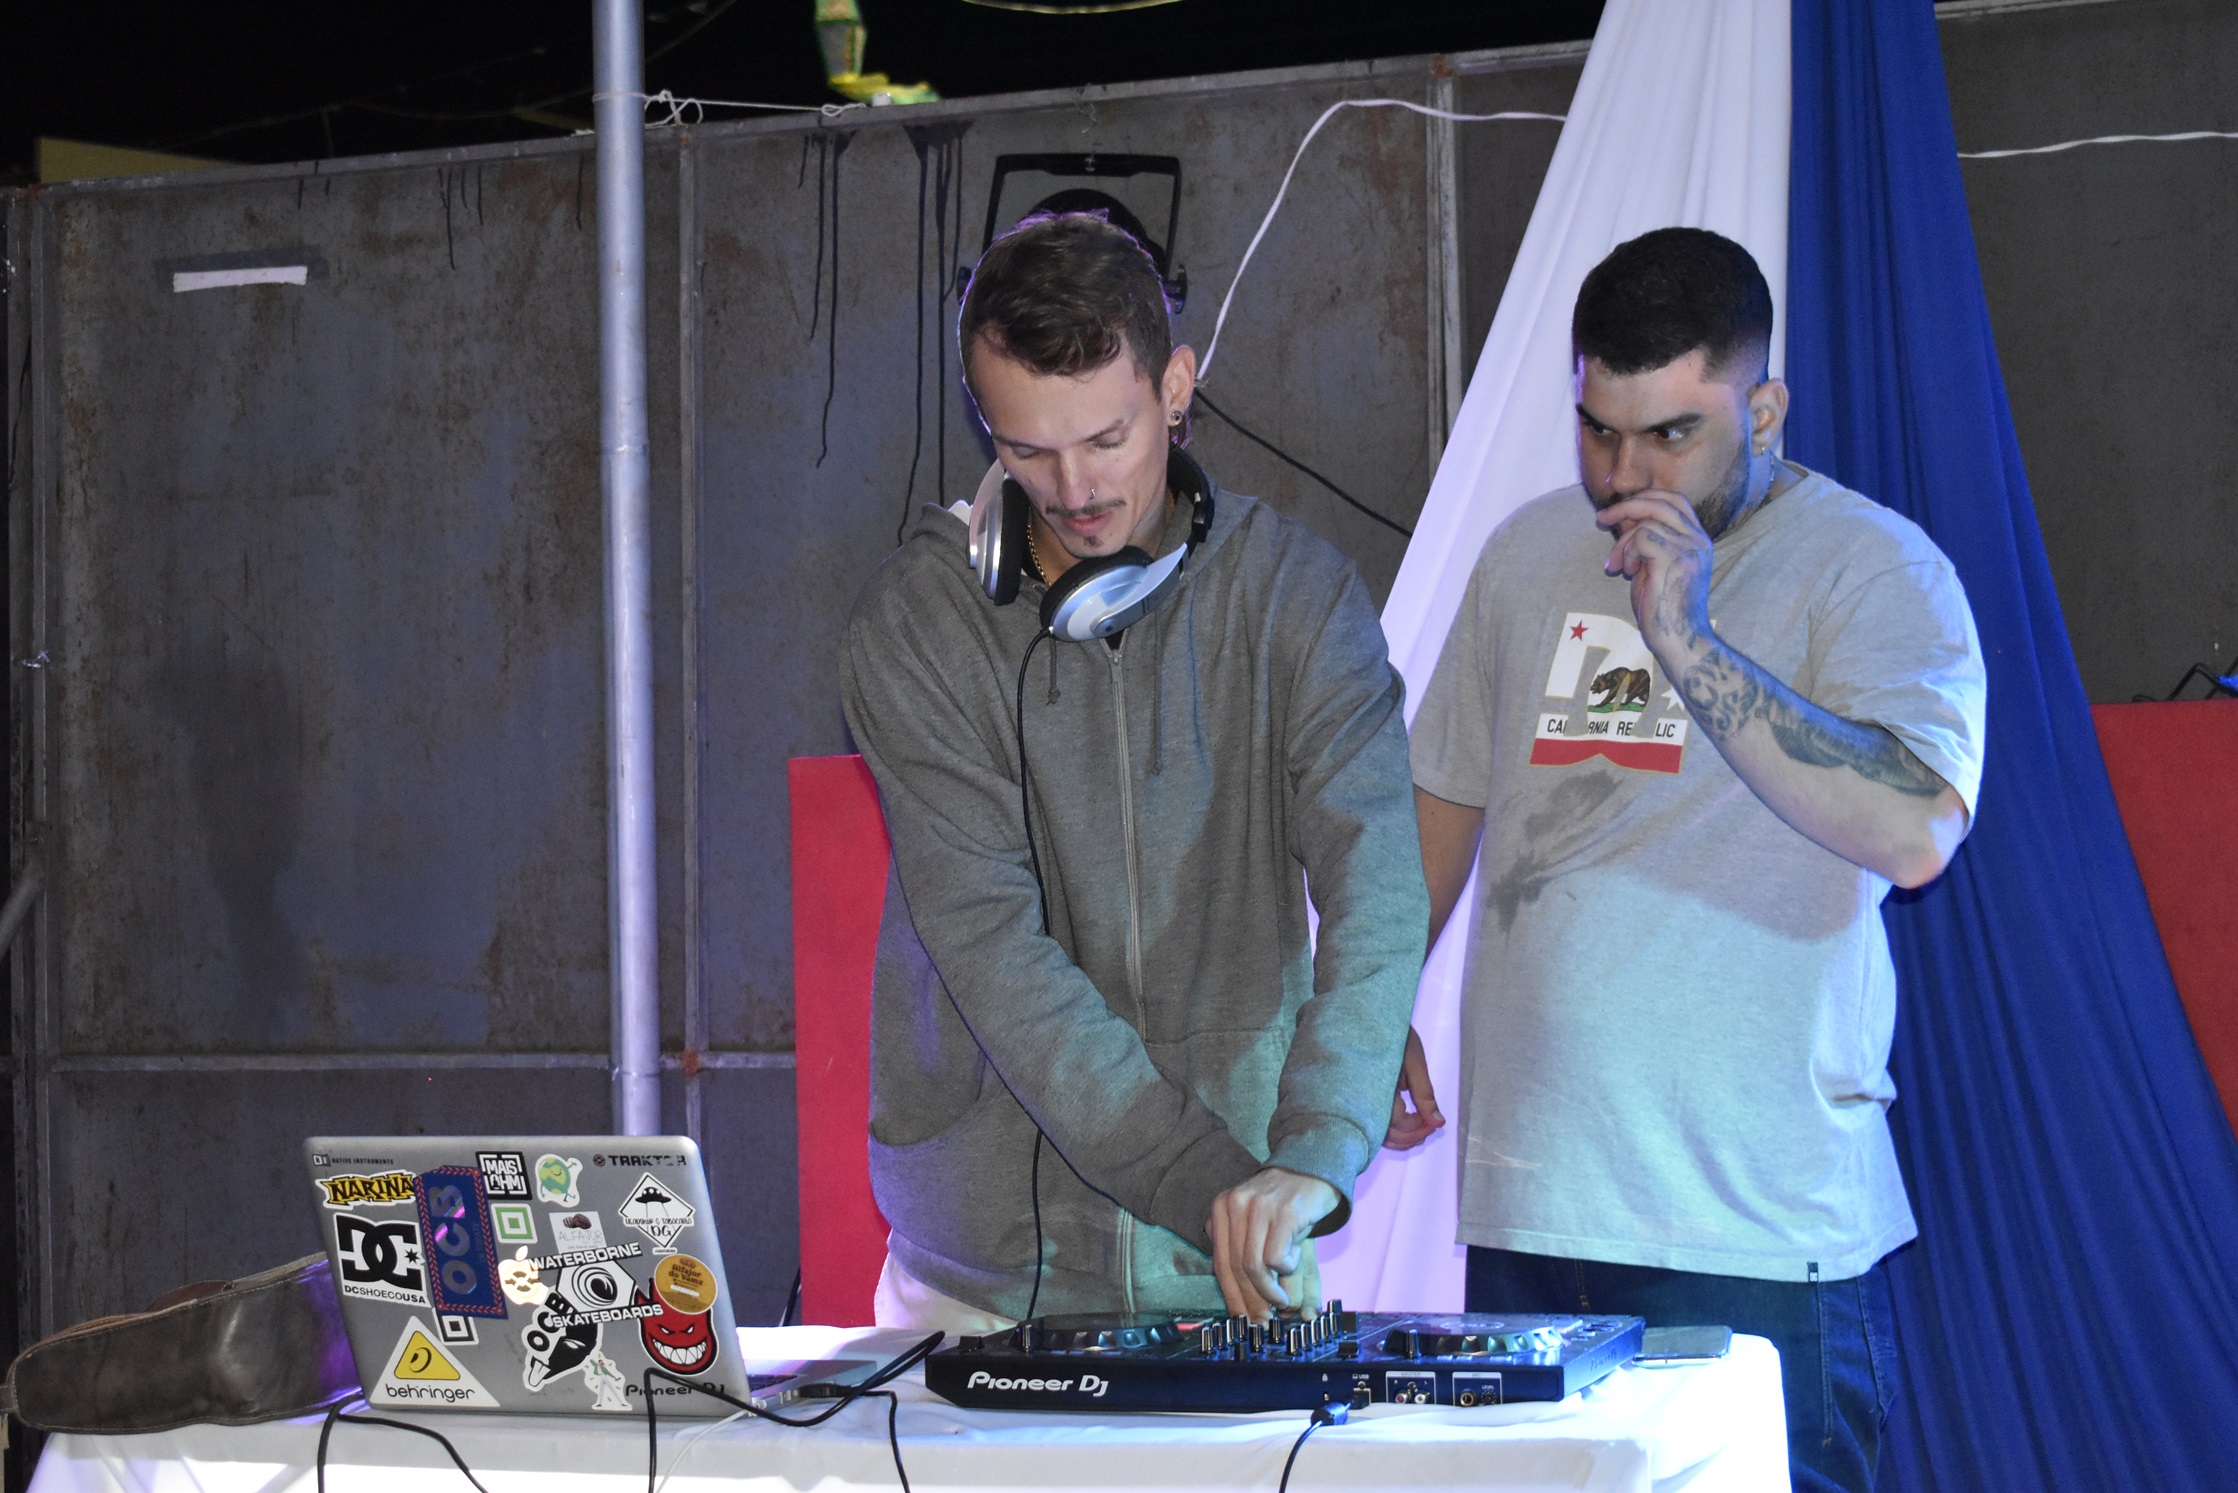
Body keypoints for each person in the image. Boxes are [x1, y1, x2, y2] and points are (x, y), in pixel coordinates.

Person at [1406, 228, 1986, 1493]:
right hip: (1530, 1210)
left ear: (1763, 409)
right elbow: (1439, 797)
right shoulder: (1526, 553)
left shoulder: (1874, 566)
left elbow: (1917, 830)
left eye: (1671, 433)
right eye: (1598, 431)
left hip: (1753, 1234)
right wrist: (1372, 998)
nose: (1625, 475)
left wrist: (1689, 639)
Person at [840, 212, 1427, 1333]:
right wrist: (1216, 1189)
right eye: (1026, 450)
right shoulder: (918, 627)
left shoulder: (1296, 598)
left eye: (1106, 438)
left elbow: (1379, 888)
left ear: (1176, 387)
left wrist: (1313, 1156)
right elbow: (996, 953)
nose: (1072, 489)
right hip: (981, 1284)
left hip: (1240, 1268)